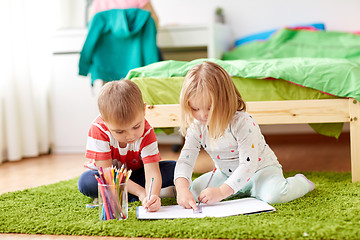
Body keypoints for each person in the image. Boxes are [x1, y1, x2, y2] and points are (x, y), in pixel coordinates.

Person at [174, 61, 315, 210]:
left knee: (275, 195)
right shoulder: (197, 127)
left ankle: (301, 182)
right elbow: (185, 161)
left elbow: (248, 165)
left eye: (209, 108)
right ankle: (234, 189)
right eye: (195, 108)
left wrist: (222, 191)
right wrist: (182, 189)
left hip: (260, 172)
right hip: (226, 175)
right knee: (193, 192)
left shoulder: (242, 122)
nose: (202, 115)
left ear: (225, 100)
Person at [78, 80, 176, 212]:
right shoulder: (98, 129)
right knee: (86, 182)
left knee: (174, 169)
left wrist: (152, 195)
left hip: (136, 175)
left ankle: (121, 194)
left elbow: (152, 171)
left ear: (144, 110)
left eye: (136, 127)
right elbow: (107, 173)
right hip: (109, 177)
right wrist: (142, 193)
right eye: (119, 131)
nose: (131, 136)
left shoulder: (147, 131)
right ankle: (130, 194)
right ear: (104, 121)